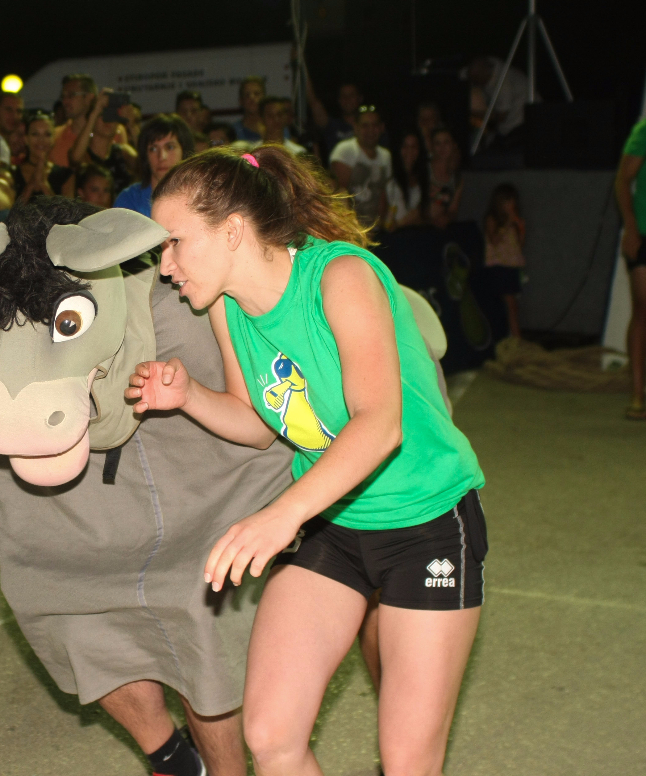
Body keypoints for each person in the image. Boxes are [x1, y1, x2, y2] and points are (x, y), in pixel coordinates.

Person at [128, 145, 486, 776]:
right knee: (270, 736)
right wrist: (187, 397)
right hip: (335, 525)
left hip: (427, 521)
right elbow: (258, 424)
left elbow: (380, 425)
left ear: (232, 229)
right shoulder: (227, 306)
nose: (166, 266)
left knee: (407, 760)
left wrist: (281, 514)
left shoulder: (341, 275)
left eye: (175, 243)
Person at [616, 117, 646, 420]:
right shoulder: (644, 130)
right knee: (643, 307)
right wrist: (631, 226)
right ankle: (638, 394)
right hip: (643, 233)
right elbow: (623, 179)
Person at [113, 113, 194, 216]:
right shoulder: (129, 199)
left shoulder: (199, 196)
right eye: (153, 149)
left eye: (170, 147)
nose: (162, 156)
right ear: (145, 155)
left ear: (184, 151)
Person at [69, 88, 138, 198]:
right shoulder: (83, 154)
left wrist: (132, 125)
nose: (107, 120)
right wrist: (95, 111)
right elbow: (75, 157)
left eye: (112, 114)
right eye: (102, 114)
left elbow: (148, 163)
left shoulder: (123, 152)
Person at [330, 105, 390, 228]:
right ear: (356, 128)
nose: (370, 130)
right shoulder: (345, 150)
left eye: (375, 125)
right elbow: (339, 194)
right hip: (349, 227)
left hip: (375, 228)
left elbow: (383, 195)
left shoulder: (386, 156)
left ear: (381, 128)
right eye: (365, 126)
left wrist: (381, 224)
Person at [483, 183, 526, 340]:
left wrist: (521, 229)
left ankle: (511, 337)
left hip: (512, 266)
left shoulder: (514, 221)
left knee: (512, 305)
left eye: (513, 200)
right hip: (499, 267)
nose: (511, 204)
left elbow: (519, 245)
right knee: (509, 304)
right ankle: (517, 339)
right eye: (508, 200)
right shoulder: (492, 219)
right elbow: (494, 240)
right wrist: (508, 223)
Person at [467, 55, 532, 149]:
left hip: (522, 124)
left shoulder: (503, 82)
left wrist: (473, 113)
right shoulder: (489, 67)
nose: (475, 82)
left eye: (476, 78)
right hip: (506, 127)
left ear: (484, 73)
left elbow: (502, 116)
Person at [13, 111, 74, 202]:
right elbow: (12, 210)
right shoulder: (12, 174)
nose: (41, 140)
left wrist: (44, 185)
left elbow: (67, 210)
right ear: (26, 139)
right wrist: (31, 184)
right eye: (35, 134)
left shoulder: (66, 175)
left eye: (47, 134)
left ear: (53, 139)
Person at [49, 73, 96, 167]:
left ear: (88, 98)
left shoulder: (109, 132)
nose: (65, 101)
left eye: (71, 95)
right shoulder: (55, 137)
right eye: (63, 96)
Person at [309, 78, 363, 158]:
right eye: (343, 96)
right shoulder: (333, 126)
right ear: (339, 100)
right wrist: (304, 72)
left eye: (351, 95)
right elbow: (313, 102)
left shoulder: (370, 126)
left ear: (360, 98)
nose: (347, 99)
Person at [386, 132, 427, 230]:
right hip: (394, 233)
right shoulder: (389, 174)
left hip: (417, 232)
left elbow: (424, 212)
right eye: (405, 146)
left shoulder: (424, 176)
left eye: (413, 147)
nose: (409, 151)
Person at [426, 126, 463, 229]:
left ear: (454, 145)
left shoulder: (457, 178)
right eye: (438, 143)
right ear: (432, 147)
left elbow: (453, 210)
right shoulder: (424, 171)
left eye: (446, 142)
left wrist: (446, 218)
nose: (442, 148)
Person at [231, 77, 265, 144]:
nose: (252, 98)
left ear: (264, 98)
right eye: (247, 95)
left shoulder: (276, 127)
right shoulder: (233, 131)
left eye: (256, 94)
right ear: (240, 101)